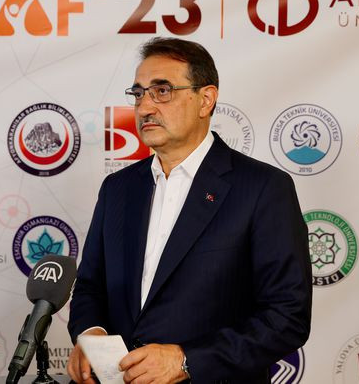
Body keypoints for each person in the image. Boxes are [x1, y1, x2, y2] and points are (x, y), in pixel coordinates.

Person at [67, 37, 311, 384]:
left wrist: (186, 361)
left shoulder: (262, 188)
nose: (145, 107)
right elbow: (90, 286)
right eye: (138, 94)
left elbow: (287, 317)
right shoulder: (117, 189)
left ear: (205, 100)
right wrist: (91, 334)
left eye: (162, 91)